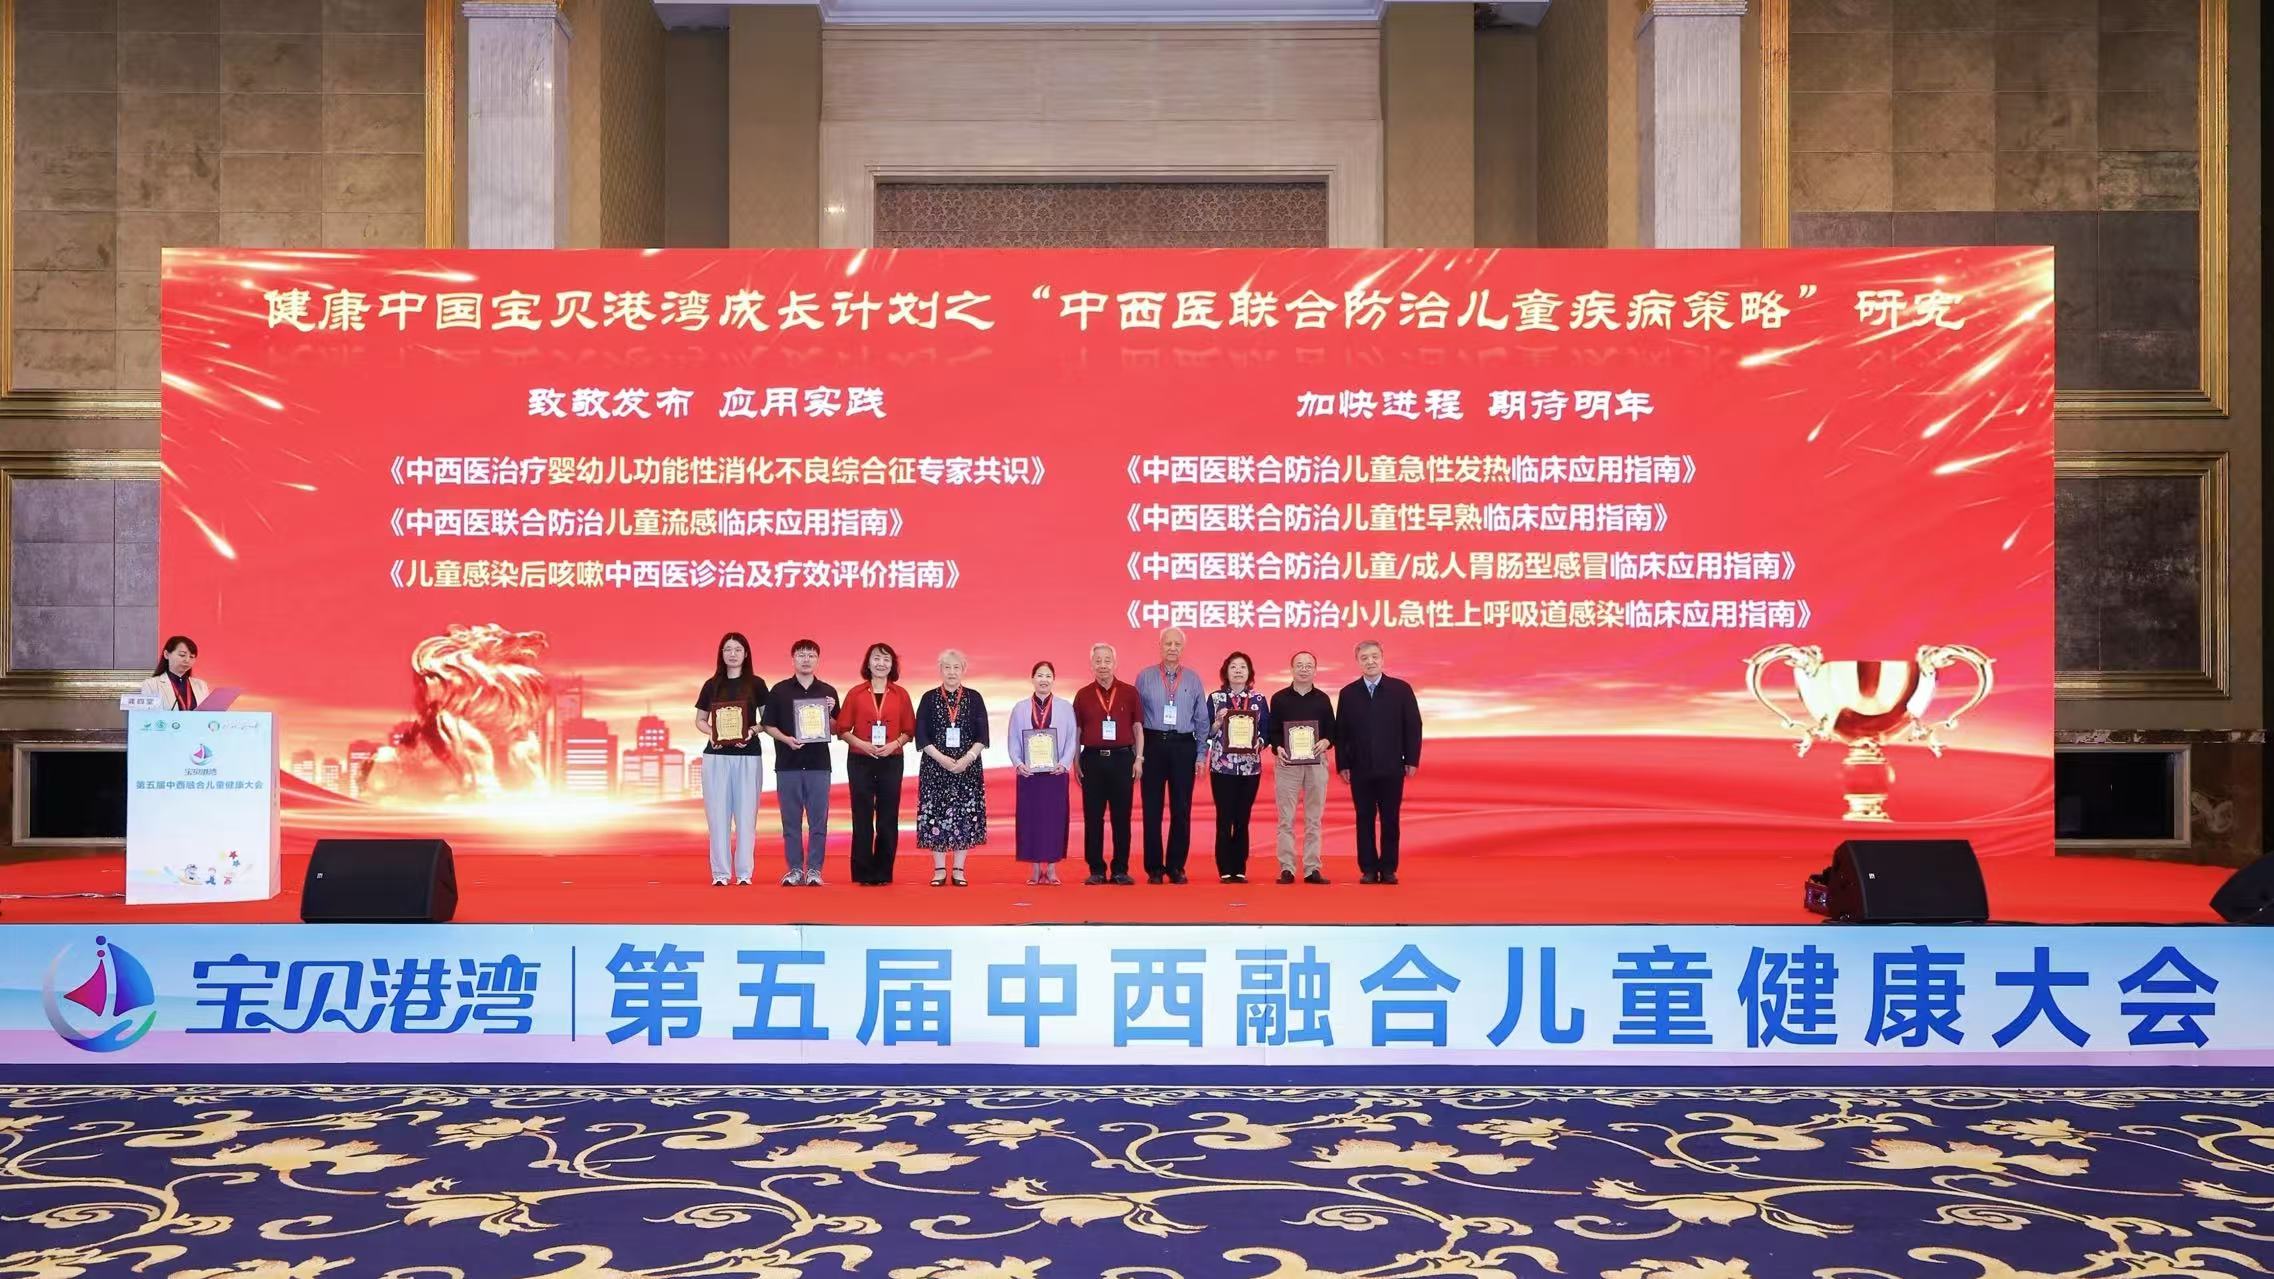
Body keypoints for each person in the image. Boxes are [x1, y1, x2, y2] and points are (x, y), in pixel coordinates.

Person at [1334, 639, 1422, 885]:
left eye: (1374, 656)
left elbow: (1413, 726)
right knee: (1364, 818)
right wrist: (1343, 764)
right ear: (1358, 662)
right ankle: (1369, 869)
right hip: (1360, 767)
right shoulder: (1348, 693)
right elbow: (1341, 732)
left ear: (1382, 659)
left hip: (1392, 766)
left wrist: (1411, 759)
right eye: (1364, 658)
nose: (1370, 661)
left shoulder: (1400, 689)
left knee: (1390, 818)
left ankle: (1389, 868)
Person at [837, 641, 915, 886]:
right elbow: (842, 729)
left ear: (892, 665)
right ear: (868, 663)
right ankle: (863, 872)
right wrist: (862, 744)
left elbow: (909, 731)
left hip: (891, 759)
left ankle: (882, 872)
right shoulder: (856, 693)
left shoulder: (901, 694)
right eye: (876, 659)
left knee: (887, 817)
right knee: (861, 816)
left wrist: (894, 745)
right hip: (860, 760)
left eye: (886, 659)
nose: (881, 664)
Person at [762, 639, 838, 886]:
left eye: (811, 655)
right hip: (788, 765)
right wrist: (786, 740)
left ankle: (814, 870)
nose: (806, 659)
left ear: (818, 659)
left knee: (818, 822)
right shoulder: (779, 690)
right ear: (793, 658)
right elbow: (768, 725)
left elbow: (837, 729)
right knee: (790, 822)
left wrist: (830, 712)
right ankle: (795, 870)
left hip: (818, 766)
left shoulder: (828, 692)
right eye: (801, 655)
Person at [694, 632, 767, 886]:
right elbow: (700, 720)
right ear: (721, 654)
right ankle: (720, 874)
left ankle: (745, 873)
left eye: (737, 649)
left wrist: (751, 731)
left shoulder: (756, 684)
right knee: (717, 817)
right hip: (716, 756)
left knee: (746, 817)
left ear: (746, 654)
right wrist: (712, 733)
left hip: (748, 756)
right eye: (728, 649)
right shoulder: (711, 684)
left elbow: (767, 721)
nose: (733, 654)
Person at [1135, 626, 1206, 884]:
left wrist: (1201, 754)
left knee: (1181, 809)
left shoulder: (1194, 679)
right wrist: (1137, 755)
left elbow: (1202, 720)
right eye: (1168, 644)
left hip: (1183, 746)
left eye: (1177, 644)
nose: (1172, 648)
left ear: (1183, 648)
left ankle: (1176, 866)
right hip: (1153, 744)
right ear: (1160, 646)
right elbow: (1136, 719)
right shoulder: (1144, 677)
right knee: (1151, 809)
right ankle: (1154, 868)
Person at [915, 649, 989, 886]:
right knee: (935, 816)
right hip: (935, 767)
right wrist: (941, 759)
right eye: (947, 667)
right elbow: (921, 735)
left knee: (964, 815)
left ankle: (958, 869)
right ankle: (939, 869)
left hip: (967, 768)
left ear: (963, 670)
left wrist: (968, 758)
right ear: (940, 670)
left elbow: (982, 735)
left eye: (956, 667)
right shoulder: (928, 698)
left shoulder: (974, 698)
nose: (952, 672)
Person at [1071, 642, 1141, 885]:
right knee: (1093, 818)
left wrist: (1139, 759)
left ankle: (1120, 869)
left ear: (1115, 663)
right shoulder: (1083, 695)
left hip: (1123, 759)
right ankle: (1096, 869)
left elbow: (1137, 728)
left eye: (1107, 660)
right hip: (1092, 759)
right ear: (1091, 664)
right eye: (1098, 661)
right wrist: (1076, 760)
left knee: (1122, 817)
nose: (1103, 665)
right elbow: (1077, 731)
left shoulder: (1130, 692)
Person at [1268, 649, 1335, 885]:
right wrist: (1278, 747)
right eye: (1300, 664)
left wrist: (1326, 741)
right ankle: (1287, 867)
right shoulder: (1279, 698)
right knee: (1285, 818)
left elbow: (1332, 730)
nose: (1304, 669)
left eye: (1309, 665)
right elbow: (1273, 731)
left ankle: (1312, 868)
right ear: (1292, 668)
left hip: (1316, 764)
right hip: (1288, 764)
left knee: (1314, 818)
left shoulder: (1323, 699)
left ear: (1315, 670)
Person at [1008, 660, 1078, 885]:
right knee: (1031, 820)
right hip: (1029, 775)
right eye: (1039, 675)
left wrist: (1064, 763)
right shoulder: (1020, 708)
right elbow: (1013, 739)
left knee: (1054, 820)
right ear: (1032, 679)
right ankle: (1036, 869)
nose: (1044, 680)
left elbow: (1072, 739)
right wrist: (1018, 763)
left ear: (1054, 680)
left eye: (1048, 676)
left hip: (1055, 774)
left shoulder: (1065, 707)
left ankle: (1053, 869)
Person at [1204, 651, 1269, 884]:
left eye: (1243, 667)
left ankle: (1239, 867)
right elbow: (1206, 732)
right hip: (1222, 768)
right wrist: (1217, 722)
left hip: (1250, 769)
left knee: (1242, 818)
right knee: (1224, 817)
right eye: (1233, 667)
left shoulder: (1259, 699)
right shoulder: (1215, 699)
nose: (1238, 671)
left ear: (1249, 672)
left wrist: (1260, 742)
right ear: (1226, 672)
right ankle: (1224, 867)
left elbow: (1266, 730)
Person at [139, 635, 210, 710]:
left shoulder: (201, 685)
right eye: (182, 655)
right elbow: (147, 714)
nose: (187, 660)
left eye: (191, 657)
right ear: (166, 654)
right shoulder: (151, 684)